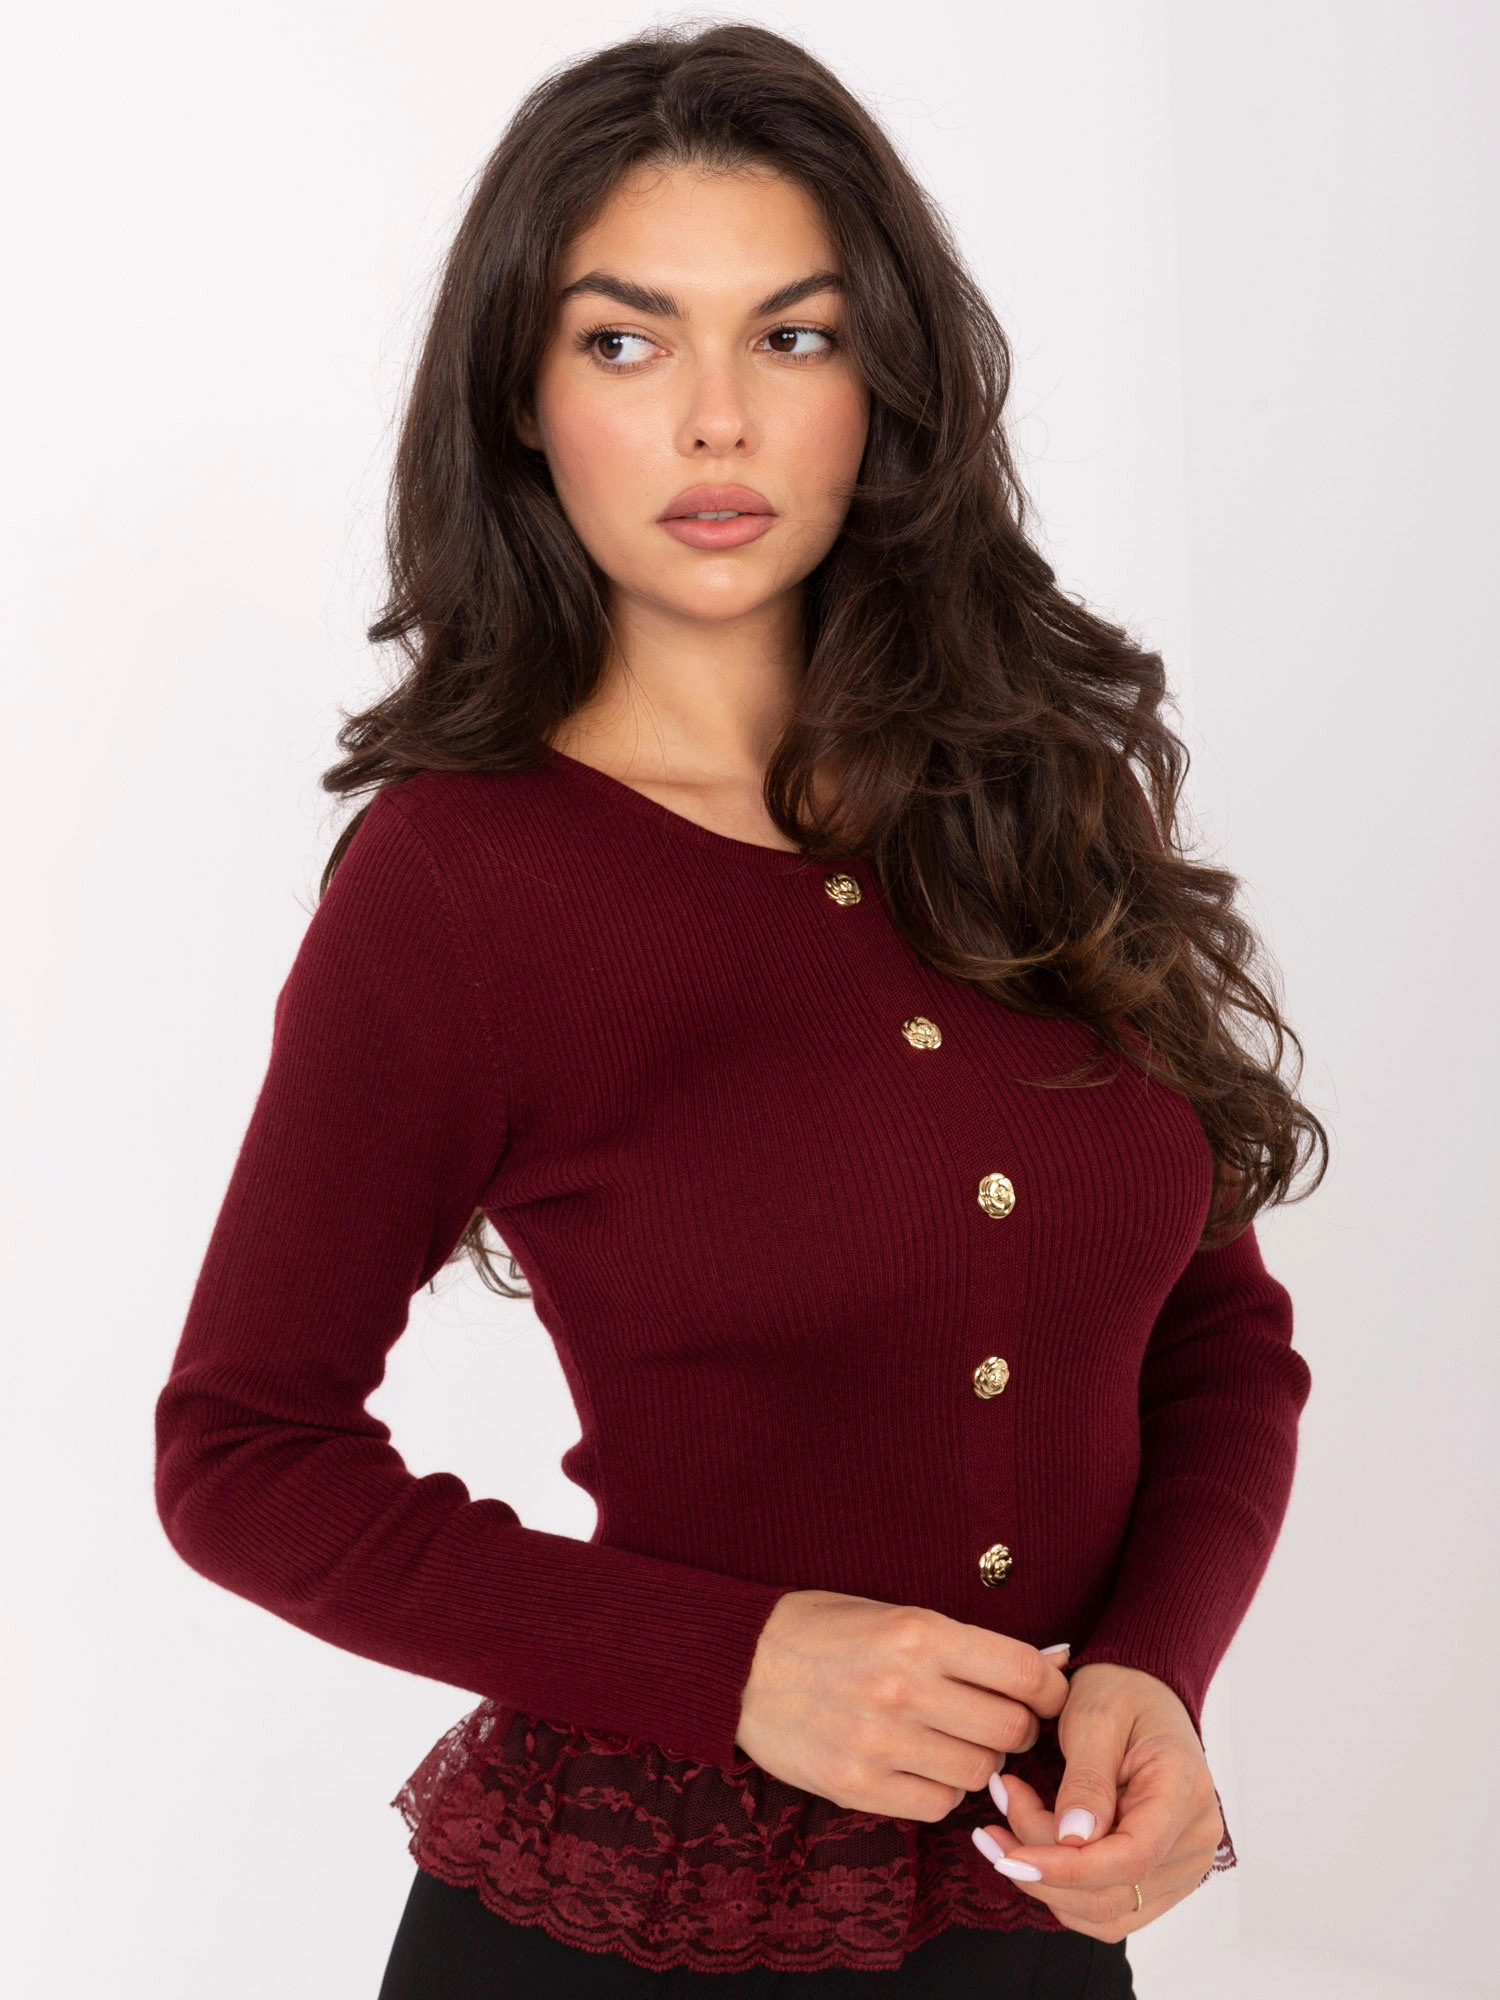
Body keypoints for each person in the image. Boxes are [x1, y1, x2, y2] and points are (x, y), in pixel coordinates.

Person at [153, 21, 1327, 1998]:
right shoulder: (461, 885)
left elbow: (1217, 1332)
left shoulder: (1036, 794)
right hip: (622, 1930)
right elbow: (242, 1450)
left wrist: (1157, 1670)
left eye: (792, 336)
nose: (717, 422)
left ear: (884, 384)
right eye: (626, 342)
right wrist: (738, 1661)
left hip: (1029, 1918)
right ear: (523, 400)